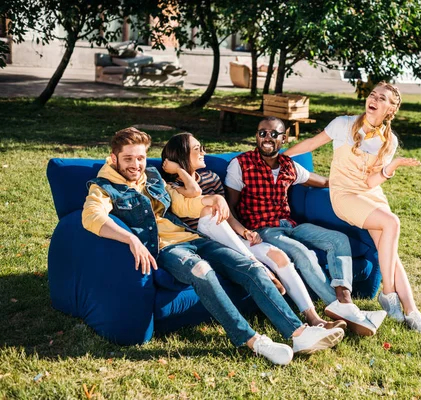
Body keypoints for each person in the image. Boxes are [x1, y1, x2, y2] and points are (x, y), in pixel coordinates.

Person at [81, 127, 345, 366]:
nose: (136, 165)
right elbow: (92, 217)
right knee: (202, 271)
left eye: (140, 158)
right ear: (114, 159)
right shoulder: (104, 187)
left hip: (193, 238)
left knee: (251, 268)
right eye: (129, 159)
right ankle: (253, 341)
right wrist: (131, 238)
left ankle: (298, 333)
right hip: (167, 249)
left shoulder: (151, 176)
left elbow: (183, 204)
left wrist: (213, 199)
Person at [284, 82, 421, 335]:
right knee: (392, 223)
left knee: (390, 253)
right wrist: (281, 156)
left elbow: (371, 182)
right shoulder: (343, 124)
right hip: (344, 195)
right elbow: (311, 143)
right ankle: (387, 294)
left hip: (370, 194)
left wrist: (391, 167)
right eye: (372, 94)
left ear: (390, 108)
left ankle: (412, 311)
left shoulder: (390, 140)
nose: (373, 99)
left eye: (381, 98)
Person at [160, 132, 346, 330]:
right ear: (181, 155)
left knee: (279, 256)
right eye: (197, 149)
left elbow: (227, 215)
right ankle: (259, 266)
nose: (203, 152)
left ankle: (314, 318)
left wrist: (245, 231)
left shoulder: (211, 177)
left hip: (230, 238)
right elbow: (195, 192)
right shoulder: (172, 187)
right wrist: (180, 170)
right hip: (206, 241)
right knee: (208, 210)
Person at [225, 117, 386, 336]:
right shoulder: (241, 164)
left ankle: (344, 300)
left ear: (284, 138)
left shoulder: (288, 165)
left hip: (290, 225)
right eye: (262, 133)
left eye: (274, 134)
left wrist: (352, 184)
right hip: (263, 230)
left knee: (338, 239)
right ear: (256, 136)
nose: (267, 138)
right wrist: (243, 234)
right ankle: (339, 308)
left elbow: (321, 181)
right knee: (303, 253)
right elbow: (230, 205)